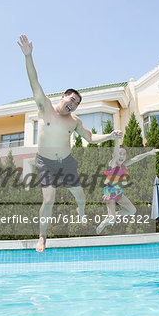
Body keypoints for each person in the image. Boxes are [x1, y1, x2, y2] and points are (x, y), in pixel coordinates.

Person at [17, 34, 122, 252]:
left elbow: (90, 138)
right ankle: (42, 236)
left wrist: (110, 135)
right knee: (49, 199)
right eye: (71, 100)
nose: (73, 105)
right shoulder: (44, 106)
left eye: (76, 104)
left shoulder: (74, 121)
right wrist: (29, 56)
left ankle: (81, 212)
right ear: (64, 96)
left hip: (66, 162)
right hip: (45, 162)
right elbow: (34, 81)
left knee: (81, 197)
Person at [96, 137, 159, 234]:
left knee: (132, 210)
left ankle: (114, 215)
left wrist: (148, 153)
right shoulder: (112, 164)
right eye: (119, 154)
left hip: (119, 193)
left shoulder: (123, 165)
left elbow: (135, 159)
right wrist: (117, 140)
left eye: (124, 154)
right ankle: (104, 222)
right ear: (114, 155)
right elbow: (115, 154)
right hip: (110, 194)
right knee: (112, 220)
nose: (122, 156)